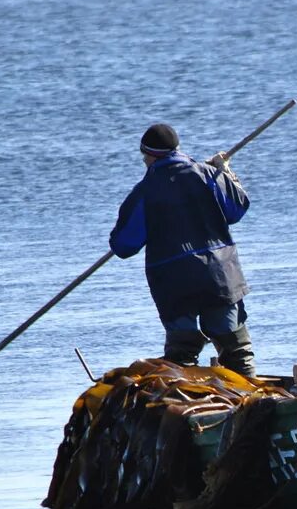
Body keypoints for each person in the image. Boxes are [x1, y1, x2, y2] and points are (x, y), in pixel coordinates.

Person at [109, 122, 257, 377]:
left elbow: (124, 245)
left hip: (174, 284)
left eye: (145, 156)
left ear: (150, 155)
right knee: (236, 349)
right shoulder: (208, 175)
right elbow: (238, 208)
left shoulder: (145, 192)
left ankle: (191, 407)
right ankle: (254, 403)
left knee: (182, 353)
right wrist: (226, 173)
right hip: (219, 276)